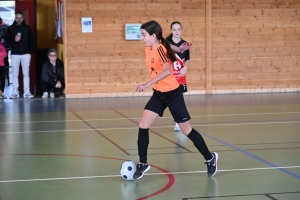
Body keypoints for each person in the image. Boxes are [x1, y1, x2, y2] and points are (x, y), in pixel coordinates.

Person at [133, 20, 218, 179]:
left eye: (144, 35)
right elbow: (166, 44)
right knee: (143, 124)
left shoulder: (159, 50)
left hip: (173, 94)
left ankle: (210, 158)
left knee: (186, 130)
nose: (142, 38)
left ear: (153, 35)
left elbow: (167, 71)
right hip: (159, 94)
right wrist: (179, 49)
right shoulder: (150, 46)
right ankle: (143, 163)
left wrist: (147, 84)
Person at [166, 21, 190, 131]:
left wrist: (185, 67)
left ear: (181, 30)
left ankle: (179, 122)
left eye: (178, 29)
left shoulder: (185, 44)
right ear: (171, 30)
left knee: (179, 99)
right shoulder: (166, 43)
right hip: (169, 76)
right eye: (174, 29)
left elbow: (187, 59)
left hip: (180, 76)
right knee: (168, 99)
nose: (176, 31)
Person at [5, 12, 34, 99]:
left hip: (26, 54)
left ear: (23, 19)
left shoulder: (27, 28)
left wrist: (30, 53)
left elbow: (31, 41)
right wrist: (14, 40)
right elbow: (7, 41)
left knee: (26, 73)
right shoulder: (10, 28)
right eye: (17, 18)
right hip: (15, 54)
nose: (19, 19)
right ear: (15, 19)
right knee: (14, 73)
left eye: (20, 17)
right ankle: (15, 92)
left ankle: (27, 91)